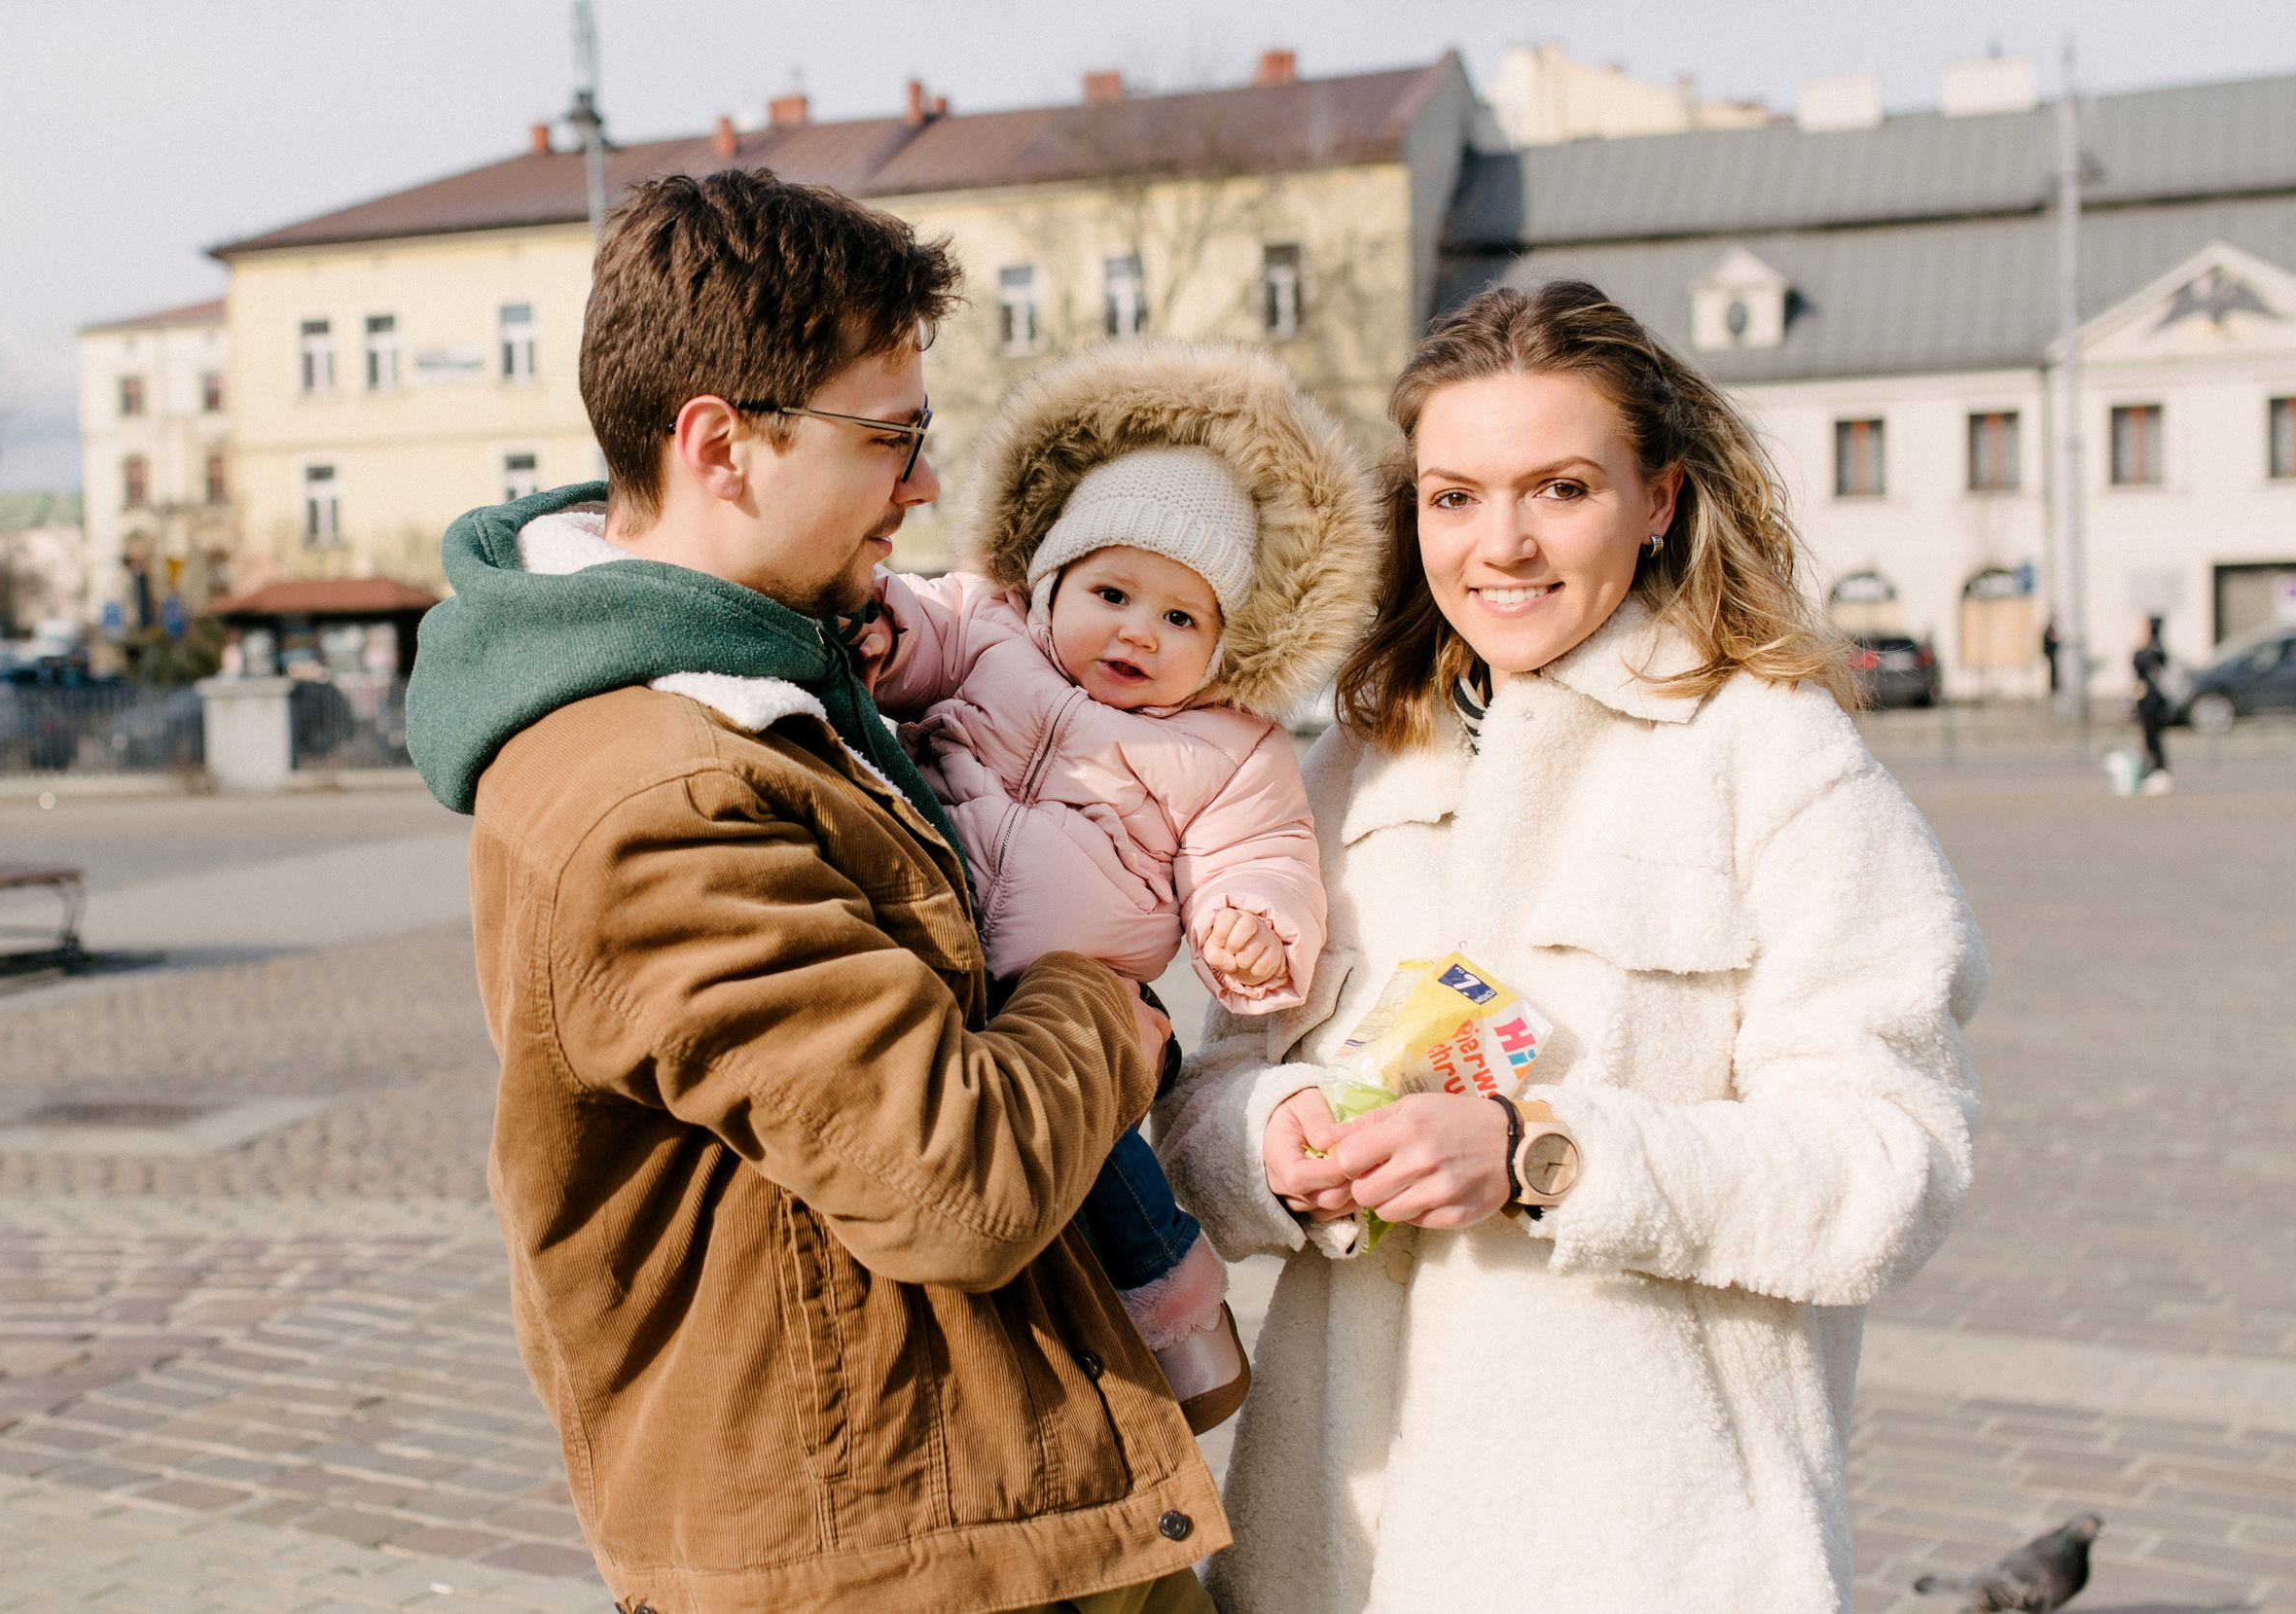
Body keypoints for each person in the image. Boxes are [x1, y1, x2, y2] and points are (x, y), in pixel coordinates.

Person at [406, 170, 1223, 1614]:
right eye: (890, 439)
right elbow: (950, 1178)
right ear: (722, 442)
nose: (919, 483)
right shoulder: (660, 788)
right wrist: (1112, 1003)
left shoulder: (781, 684)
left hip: (956, 1503)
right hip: (879, 1550)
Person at [1156, 280, 1988, 1614]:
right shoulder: (1349, 765)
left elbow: (1892, 1165)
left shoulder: (1774, 755)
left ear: (1657, 500)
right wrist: (1280, 1140)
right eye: (1455, 495)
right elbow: (1207, 1103)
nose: (1504, 545)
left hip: (1653, 1542)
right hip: (1343, 1547)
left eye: (1559, 488)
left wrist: (1548, 1156)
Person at [854, 341, 1376, 1431]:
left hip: (1075, 1003)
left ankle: (1184, 1331)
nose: (1139, 629)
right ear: (1046, 584)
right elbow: (919, 628)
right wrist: (885, 636)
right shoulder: (989, 634)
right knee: (974, 1170)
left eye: (1182, 618)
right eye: (1111, 591)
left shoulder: (1228, 748)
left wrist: (1252, 929)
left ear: (1226, 643)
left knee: (1100, 1169)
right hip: (937, 969)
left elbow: (1262, 856)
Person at [2133, 616, 2172, 788]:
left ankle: (2159, 772)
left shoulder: (2155, 647)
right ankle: (2153, 770)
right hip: (2145, 698)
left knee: (2153, 737)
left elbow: (2141, 662)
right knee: (2148, 737)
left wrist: (2141, 647)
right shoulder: (2151, 646)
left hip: (2153, 700)